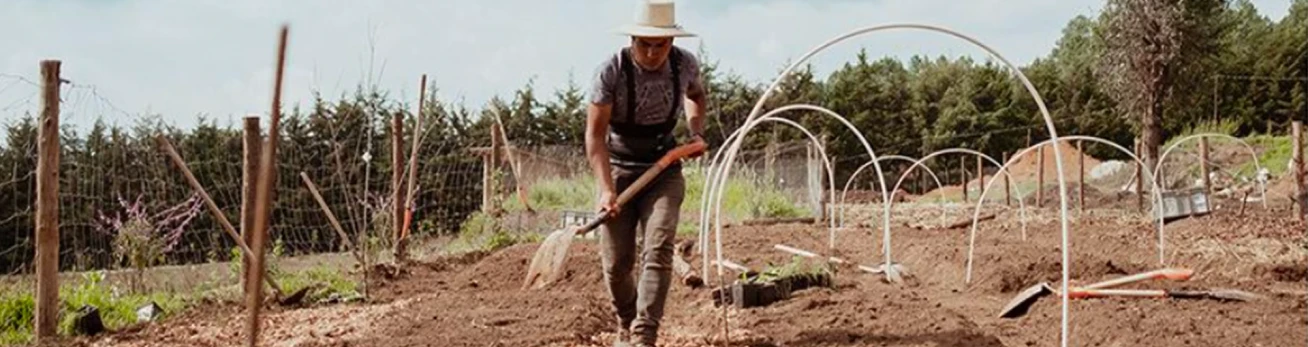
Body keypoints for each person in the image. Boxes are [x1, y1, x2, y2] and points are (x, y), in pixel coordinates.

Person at [585, 1, 707, 346]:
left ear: (671, 41)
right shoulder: (611, 71)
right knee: (617, 265)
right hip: (620, 169)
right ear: (632, 39)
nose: (653, 53)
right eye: (645, 43)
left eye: (661, 44)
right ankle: (626, 320)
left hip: (663, 168)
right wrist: (607, 190)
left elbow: (696, 95)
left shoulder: (684, 64)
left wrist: (696, 131)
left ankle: (644, 335)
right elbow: (595, 136)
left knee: (658, 247)